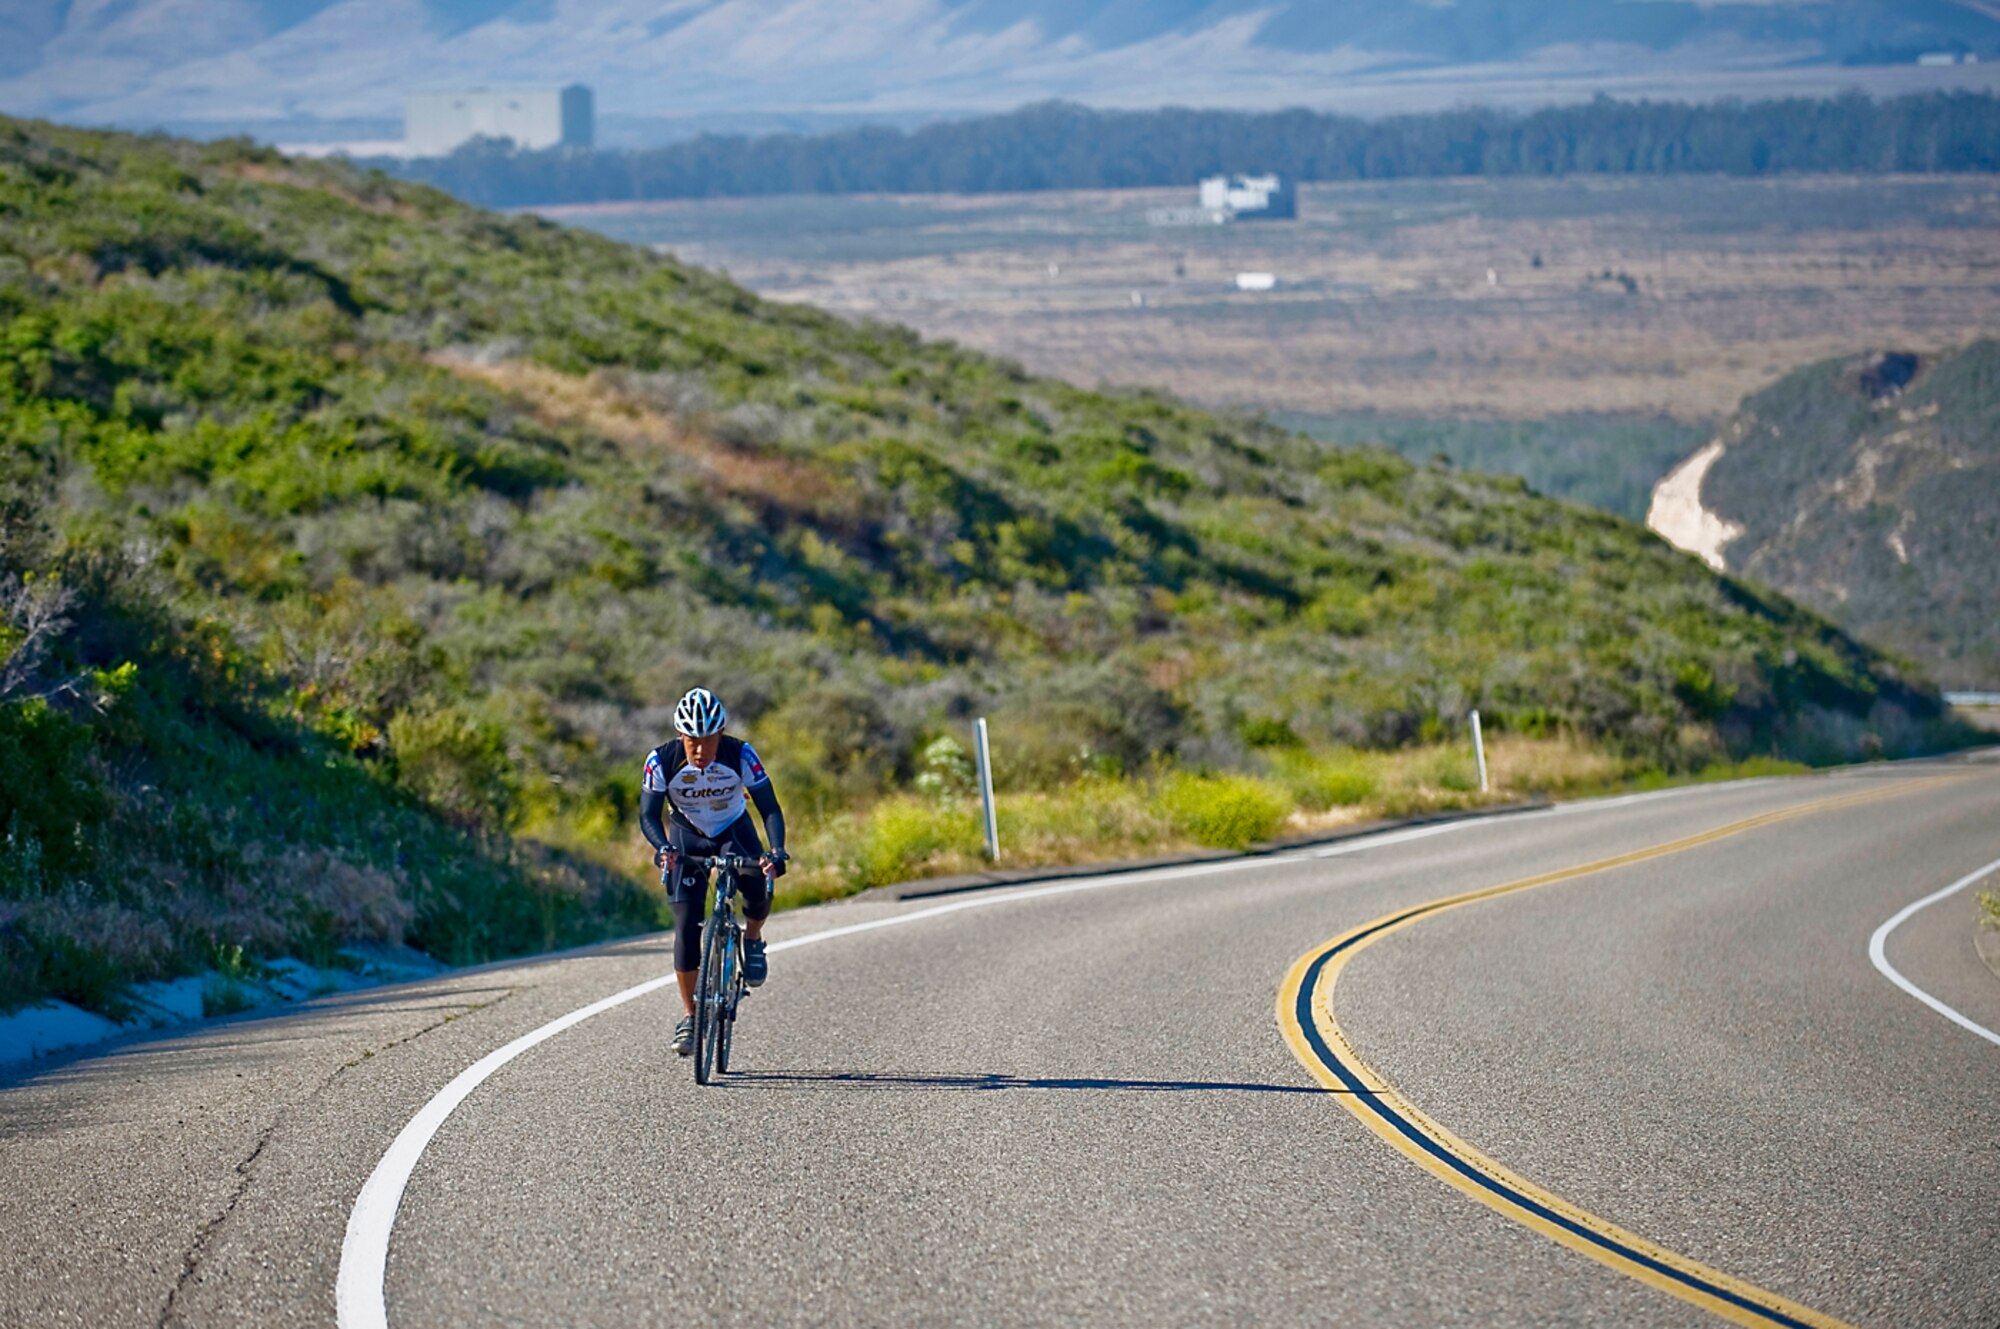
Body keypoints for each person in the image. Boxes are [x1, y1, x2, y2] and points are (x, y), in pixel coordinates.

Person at [639, 687, 789, 1057]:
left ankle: (752, 939)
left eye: (708, 740)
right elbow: (647, 815)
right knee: (686, 924)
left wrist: (776, 851)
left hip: (733, 829)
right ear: (680, 736)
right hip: (687, 835)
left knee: (758, 888)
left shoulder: (741, 755)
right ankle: (690, 1016)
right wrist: (663, 849)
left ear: (720, 734)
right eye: (692, 741)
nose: (701, 750)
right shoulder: (661, 761)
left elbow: (769, 808)